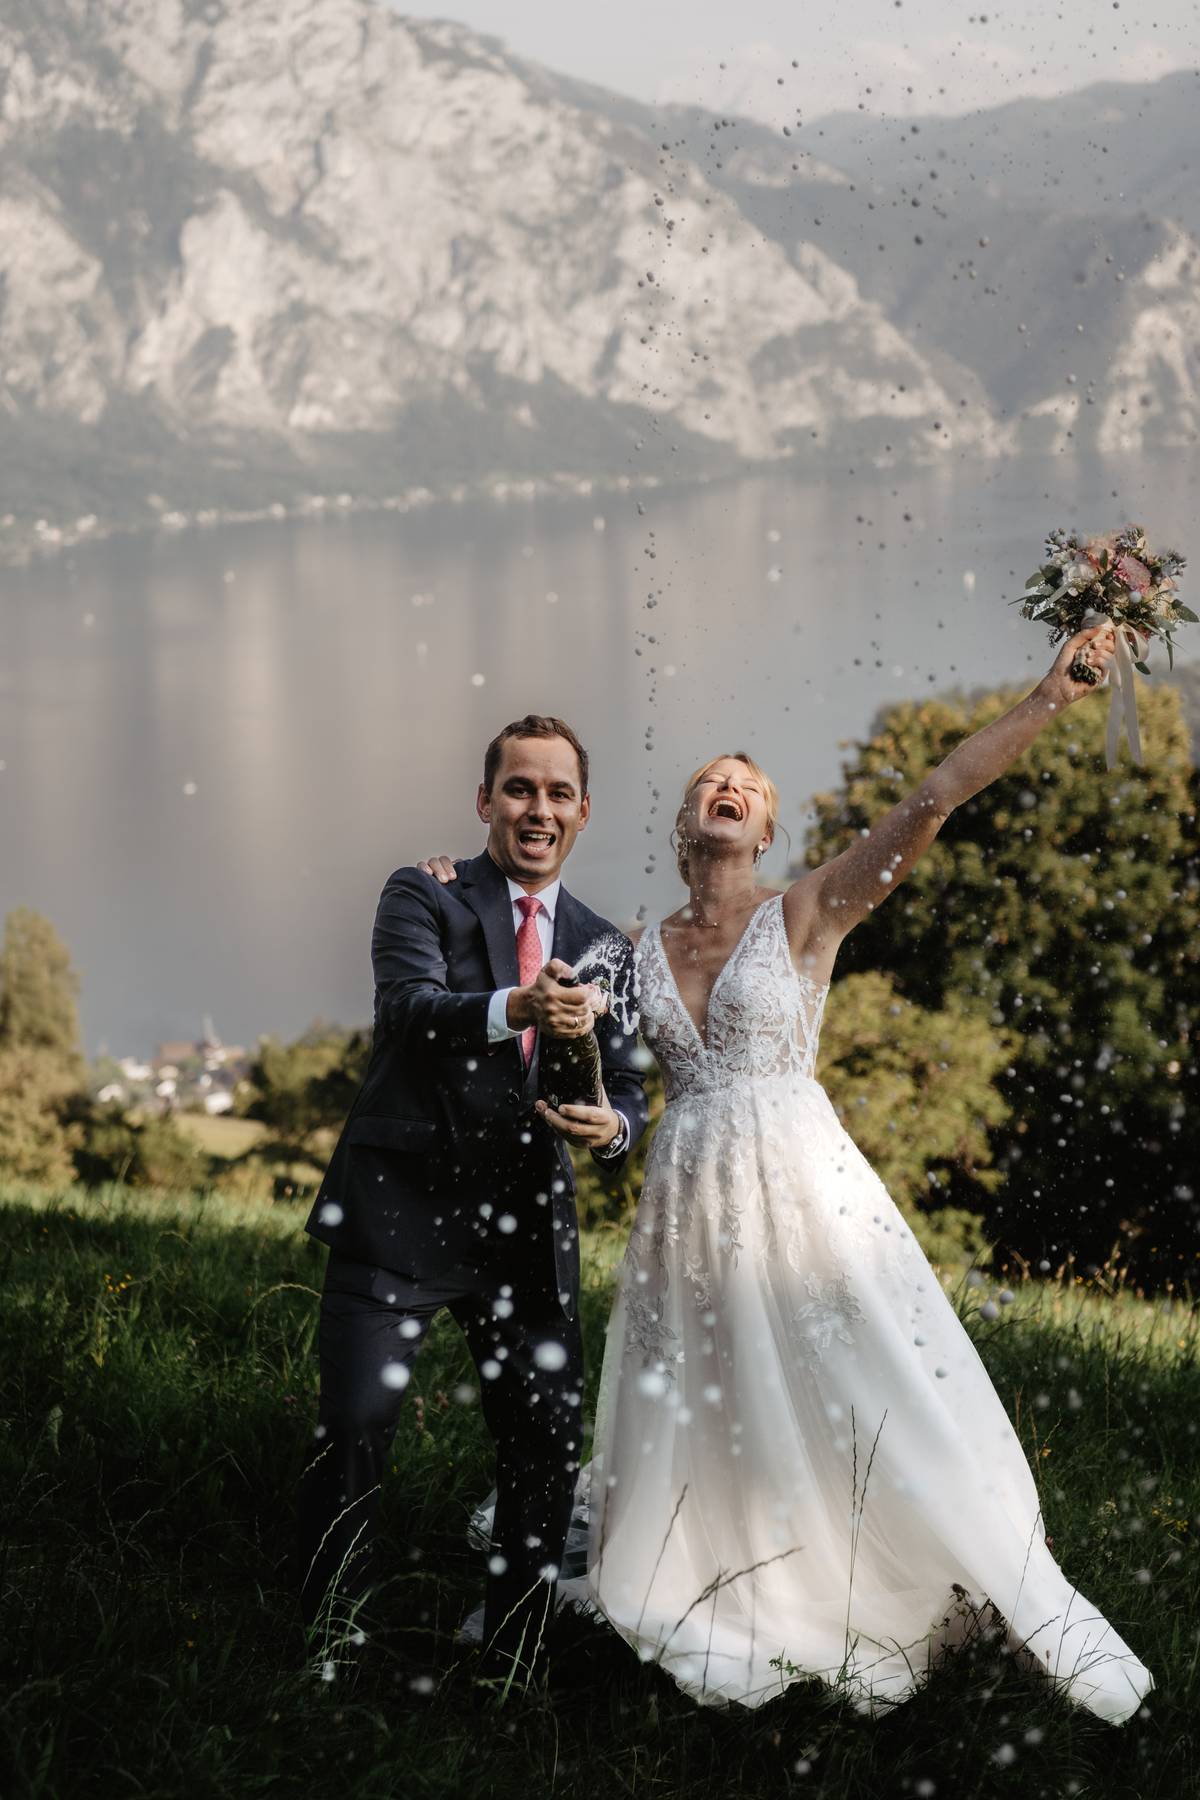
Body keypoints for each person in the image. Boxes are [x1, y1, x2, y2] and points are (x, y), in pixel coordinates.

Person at [421, 623, 1153, 1723]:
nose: (726, 786)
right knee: (709, 1395)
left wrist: (1050, 695)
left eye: (745, 786)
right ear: (682, 825)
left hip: (803, 1184)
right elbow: (548, 988)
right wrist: (451, 881)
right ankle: (718, 1558)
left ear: (765, 827)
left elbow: (938, 795)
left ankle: (899, 1554)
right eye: (709, 780)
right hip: (689, 1200)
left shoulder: (808, 912)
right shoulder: (625, 949)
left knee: (857, 1379)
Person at [298, 714, 647, 1687]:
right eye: (520, 789)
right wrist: (518, 1008)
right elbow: (409, 1012)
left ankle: (514, 1651)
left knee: (540, 1445)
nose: (538, 809)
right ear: (486, 801)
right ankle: (331, 1637)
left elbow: (627, 1083)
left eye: (558, 793)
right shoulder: (422, 893)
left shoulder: (602, 945)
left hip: (524, 1230)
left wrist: (612, 1129)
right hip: (397, 1212)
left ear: (584, 813)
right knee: (355, 1425)